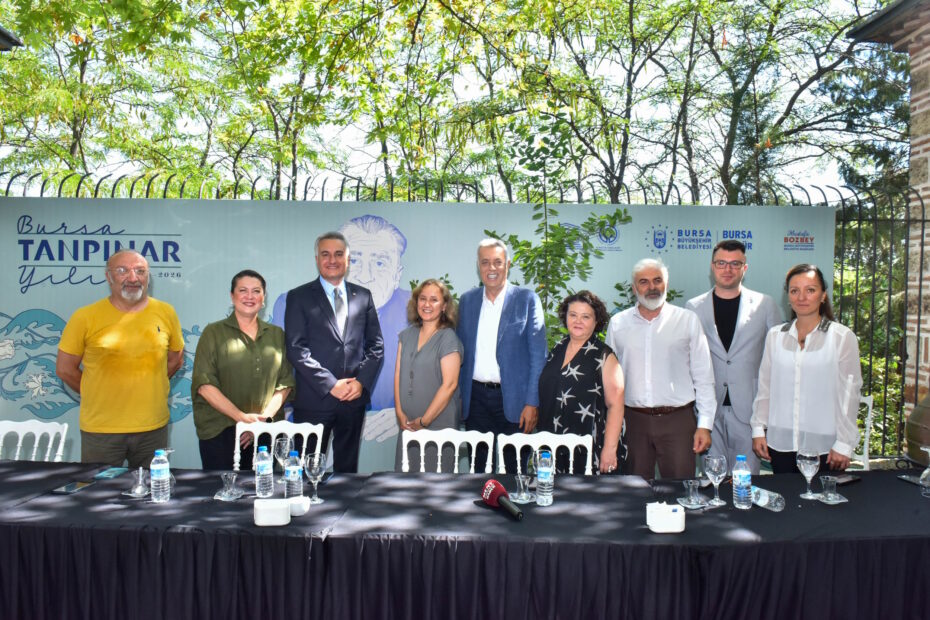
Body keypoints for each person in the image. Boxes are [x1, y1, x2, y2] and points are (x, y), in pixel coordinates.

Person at [56, 249, 184, 468]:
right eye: (123, 270)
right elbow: (65, 369)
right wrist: (96, 391)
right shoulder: (85, 316)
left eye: (140, 271)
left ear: (148, 277)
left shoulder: (166, 312)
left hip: (153, 429)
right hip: (101, 430)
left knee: (152, 487)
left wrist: (149, 385)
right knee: (98, 487)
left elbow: (175, 359)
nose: (133, 278)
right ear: (109, 276)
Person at [606, 257, 716, 480]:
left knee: (681, 489)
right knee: (634, 490)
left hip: (678, 421)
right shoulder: (617, 324)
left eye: (657, 280)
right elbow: (609, 380)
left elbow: (703, 376)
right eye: (644, 282)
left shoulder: (687, 320)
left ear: (666, 284)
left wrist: (704, 425)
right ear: (634, 288)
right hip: (633, 422)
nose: (652, 287)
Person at [285, 231, 384, 473]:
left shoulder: (363, 296)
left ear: (347, 260)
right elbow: (296, 349)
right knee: (308, 471)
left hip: (353, 400)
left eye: (339, 254)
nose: (332, 260)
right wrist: (330, 384)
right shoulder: (299, 297)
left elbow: (376, 345)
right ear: (317, 259)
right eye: (326, 254)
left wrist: (360, 383)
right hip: (314, 400)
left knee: (347, 472)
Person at [751, 264, 862, 473]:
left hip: (825, 446)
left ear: (823, 295)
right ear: (788, 297)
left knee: (822, 495)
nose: (802, 297)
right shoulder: (775, 336)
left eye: (810, 290)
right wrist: (758, 428)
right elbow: (765, 388)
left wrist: (844, 443)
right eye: (795, 291)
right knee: (785, 494)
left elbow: (849, 394)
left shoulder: (841, 337)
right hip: (781, 442)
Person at [685, 240, 782, 474]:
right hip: (708, 409)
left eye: (735, 264)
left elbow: (777, 358)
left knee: (746, 480)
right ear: (712, 266)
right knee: (712, 477)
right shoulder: (693, 307)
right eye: (721, 263)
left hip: (750, 409)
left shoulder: (765, 305)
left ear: (744, 268)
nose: (727, 269)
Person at [456, 238, 547, 473]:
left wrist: (532, 402)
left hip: (516, 402)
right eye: (485, 262)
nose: (492, 268)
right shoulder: (467, 301)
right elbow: (460, 352)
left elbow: (538, 356)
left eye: (497, 262)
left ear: (508, 264)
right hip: (476, 401)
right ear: (478, 265)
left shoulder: (527, 300)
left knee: (515, 472)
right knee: (479, 471)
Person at [191, 270, 295, 471]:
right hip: (221, 430)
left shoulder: (276, 334)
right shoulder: (213, 332)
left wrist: (261, 421)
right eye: (243, 290)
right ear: (232, 296)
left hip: (265, 430)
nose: (250, 296)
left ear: (263, 298)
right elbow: (204, 385)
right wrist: (241, 418)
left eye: (256, 291)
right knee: (222, 487)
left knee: (263, 487)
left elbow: (285, 383)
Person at [538, 291, 625, 475]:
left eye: (586, 317)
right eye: (573, 315)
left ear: (596, 321)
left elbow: (616, 405)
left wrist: (609, 449)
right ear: (565, 317)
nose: (578, 321)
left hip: (589, 448)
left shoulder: (604, 356)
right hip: (553, 443)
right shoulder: (557, 348)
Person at [339, 215, 411, 412]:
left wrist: (400, 413)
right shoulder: (297, 304)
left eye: (379, 263)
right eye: (355, 261)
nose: (365, 277)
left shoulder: (419, 313)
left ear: (397, 276)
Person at [393, 279, 463, 471]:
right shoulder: (405, 336)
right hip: (408, 423)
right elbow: (398, 374)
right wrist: (399, 412)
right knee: (406, 479)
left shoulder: (448, 338)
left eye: (434, 299)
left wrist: (425, 421)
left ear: (444, 306)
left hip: (438, 423)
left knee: (436, 480)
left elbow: (450, 384)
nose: (427, 304)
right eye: (422, 299)